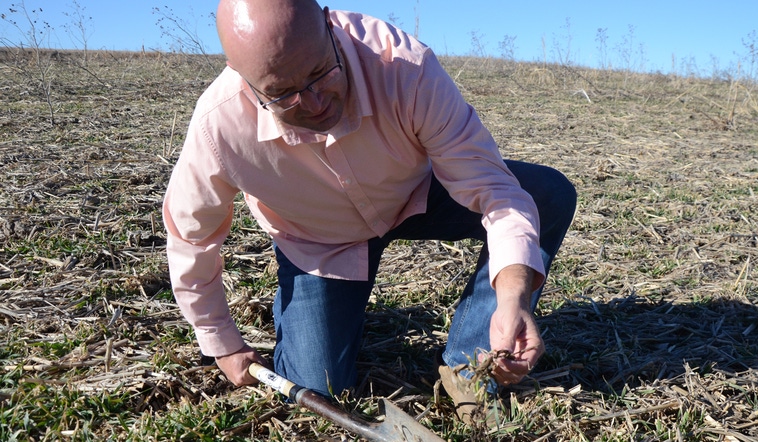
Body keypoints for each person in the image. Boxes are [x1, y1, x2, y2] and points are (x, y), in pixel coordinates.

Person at [163, 0, 576, 424]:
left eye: (321, 72)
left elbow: (494, 190)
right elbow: (189, 236)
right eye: (284, 94)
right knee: (321, 387)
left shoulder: (403, 66)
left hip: (414, 194)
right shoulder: (219, 125)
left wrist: (511, 296)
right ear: (243, 78)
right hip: (317, 239)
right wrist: (222, 340)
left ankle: (471, 368)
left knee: (544, 195)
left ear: (329, 25)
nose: (315, 101)